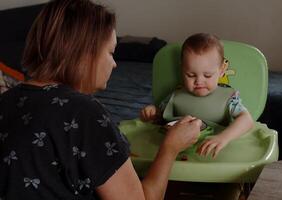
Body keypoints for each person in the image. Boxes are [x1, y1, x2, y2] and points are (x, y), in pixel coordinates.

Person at [0, 0, 202, 199]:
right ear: (85, 53)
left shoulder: (6, 100)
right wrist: (170, 148)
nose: (114, 64)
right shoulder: (84, 112)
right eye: (111, 52)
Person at [141, 33, 254, 158]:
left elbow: (247, 120)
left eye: (207, 75)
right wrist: (152, 112)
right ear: (182, 70)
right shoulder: (176, 96)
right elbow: (161, 118)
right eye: (191, 75)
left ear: (222, 70)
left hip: (213, 151)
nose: (199, 81)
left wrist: (223, 138)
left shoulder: (229, 99)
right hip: (178, 152)